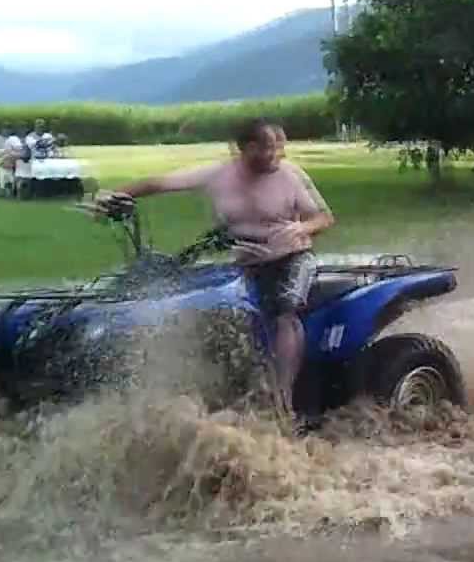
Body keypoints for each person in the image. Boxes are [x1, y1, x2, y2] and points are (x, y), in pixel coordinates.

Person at [96, 118, 335, 424]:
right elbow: (159, 183)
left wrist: (301, 227)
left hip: (292, 258)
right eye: (267, 149)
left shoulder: (290, 175)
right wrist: (113, 195)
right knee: (218, 310)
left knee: (284, 309)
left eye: (280, 148)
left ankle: (283, 400)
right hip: (247, 261)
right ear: (244, 148)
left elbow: (324, 218)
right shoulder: (218, 175)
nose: (276, 156)